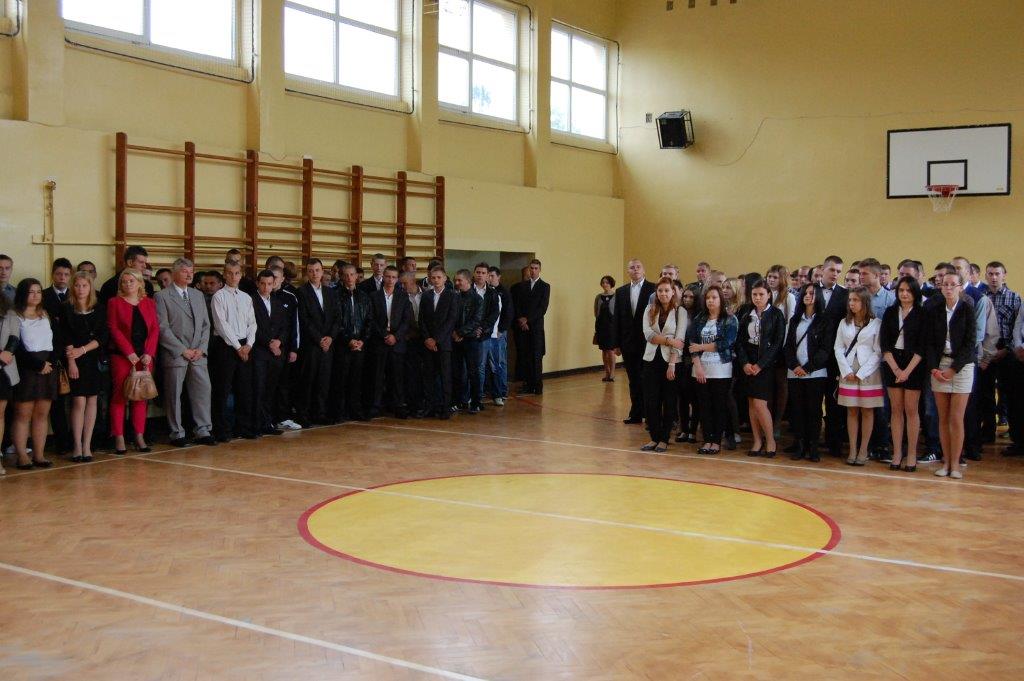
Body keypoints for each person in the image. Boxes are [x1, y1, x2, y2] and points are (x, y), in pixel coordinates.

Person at [154, 258, 216, 448]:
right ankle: (177, 433)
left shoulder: (197, 295)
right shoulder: (162, 296)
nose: (189, 275)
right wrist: (182, 350)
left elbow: (206, 325)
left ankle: (203, 430)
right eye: (184, 271)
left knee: (203, 391)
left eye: (191, 271)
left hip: (198, 354)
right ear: (174, 273)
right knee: (174, 395)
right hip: (176, 354)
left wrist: (201, 349)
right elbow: (162, 328)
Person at [928, 272, 976, 479]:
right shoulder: (935, 309)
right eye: (945, 284)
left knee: (956, 418)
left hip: (962, 367)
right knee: (943, 417)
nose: (948, 288)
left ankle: (955, 464)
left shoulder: (967, 309)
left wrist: (954, 369)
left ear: (960, 287)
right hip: (939, 365)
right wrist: (934, 368)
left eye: (952, 285)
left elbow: (970, 343)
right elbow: (929, 342)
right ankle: (945, 461)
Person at [106, 268, 159, 454]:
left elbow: (154, 329)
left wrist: (149, 353)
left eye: (131, 281)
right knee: (120, 396)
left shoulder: (149, 303)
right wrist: (128, 352)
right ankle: (119, 436)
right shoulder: (114, 302)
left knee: (140, 396)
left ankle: (139, 435)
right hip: (122, 356)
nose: (127, 284)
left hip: (144, 357)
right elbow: (113, 329)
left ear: (139, 283)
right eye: (124, 281)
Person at [60, 271, 108, 462]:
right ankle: (77, 445)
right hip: (74, 360)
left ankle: (87, 445)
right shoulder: (66, 308)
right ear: (72, 287)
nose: (81, 289)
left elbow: (102, 336)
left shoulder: (99, 308)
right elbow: (65, 337)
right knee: (78, 402)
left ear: (90, 287)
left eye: (84, 286)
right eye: (77, 285)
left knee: (92, 400)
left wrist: (83, 350)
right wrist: (72, 361)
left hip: (92, 357)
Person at [879, 275, 926, 472]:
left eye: (908, 290)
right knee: (896, 410)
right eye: (901, 290)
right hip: (893, 363)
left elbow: (923, 346)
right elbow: (884, 343)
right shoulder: (890, 312)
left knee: (911, 410)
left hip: (914, 364)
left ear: (915, 293)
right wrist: (896, 369)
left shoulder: (922, 313)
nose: (904, 294)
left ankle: (912, 453)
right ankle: (897, 452)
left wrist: (906, 371)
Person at [11, 279, 59, 469]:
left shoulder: (46, 314)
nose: (36, 295)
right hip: (27, 368)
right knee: (23, 414)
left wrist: (50, 362)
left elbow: (56, 341)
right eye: (31, 292)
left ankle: (39, 454)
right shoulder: (15, 316)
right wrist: (37, 365)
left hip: (48, 367)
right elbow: (16, 347)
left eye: (38, 291)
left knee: (42, 413)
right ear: (23, 294)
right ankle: (22, 455)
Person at [736, 279, 786, 457]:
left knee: (760, 403)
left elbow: (777, 343)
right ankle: (757, 440)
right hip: (748, 363)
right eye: (754, 294)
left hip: (766, 365)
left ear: (769, 295)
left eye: (761, 294)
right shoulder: (745, 312)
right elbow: (739, 341)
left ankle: (770, 440)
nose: (757, 298)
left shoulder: (776, 314)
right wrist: (744, 363)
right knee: (751, 403)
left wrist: (760, 364)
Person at [978, 261, 1022, 456]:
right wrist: (987, 352)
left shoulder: (1014, 298)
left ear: (1004, 275)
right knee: (985, 393)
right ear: (985, 276)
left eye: (997, 274)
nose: (994, 277)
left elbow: (1018, 326)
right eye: (990, 274)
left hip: (1008, 353)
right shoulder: (982, 297)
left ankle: (1016, 436)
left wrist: (1007, 349)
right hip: (986, 351)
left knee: (1011, 395)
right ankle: (987, 431)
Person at [834, 287, 882, 466]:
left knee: (867, 410)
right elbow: (838, 347)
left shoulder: (876, 323)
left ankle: (863, 449)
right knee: (851, 410)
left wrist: (862, 373)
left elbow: (878, 351)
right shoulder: (844, 322)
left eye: (855, 300)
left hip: (868, 371)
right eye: (850, 300)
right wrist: (846, 370)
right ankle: (853, 449)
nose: (851, 303)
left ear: (865, 302)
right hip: (848, 370)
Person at [210, 262, 258, 440]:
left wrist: (249, 344)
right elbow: (221, 325)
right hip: (226, 346)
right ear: (224, 275)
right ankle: (221, 429)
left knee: (244, 388)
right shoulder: (218, 296)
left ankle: (242, 427)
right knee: (222, 389)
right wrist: (238, 347)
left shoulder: (246, 297)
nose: (233, 276)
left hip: (245, 346)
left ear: (241, 275)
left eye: (236, 273)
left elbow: (252, 323)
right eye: (229, 273)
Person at [688, 286, 738, 455]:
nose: (710, 300)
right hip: (701, 368)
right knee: (704, 406)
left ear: (721, 300)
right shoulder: (699, 319)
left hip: (721, 369)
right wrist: (698, 366)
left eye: (714, 297)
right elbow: (692, 344)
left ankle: (716, 441)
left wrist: (701, 346)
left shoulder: (730, 319)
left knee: (719, 405)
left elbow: (726, 343)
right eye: (708, 298)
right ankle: (707, 440)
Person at [785, 283, 830, 462]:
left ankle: (813, 447)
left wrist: (807, 368)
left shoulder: (824, 320)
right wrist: (795, 365)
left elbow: (825, 350)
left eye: (812, 293)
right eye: (805, 293)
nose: (807, 296)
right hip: (795, 373)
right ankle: (800, 445)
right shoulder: (795, 319)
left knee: (814, 411)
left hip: (815, 374)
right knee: (797, 410)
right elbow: (788, 346)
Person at [640, 278, 686, 452]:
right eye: (660, 291)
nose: (663, 294)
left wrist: (672, 363)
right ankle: (654, 438)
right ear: (656, 293)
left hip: (671, 362)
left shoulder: (680, 311)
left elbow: (680, 340)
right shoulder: (649, 309)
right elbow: (648, 335)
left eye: (667, 290)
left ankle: (664, 439)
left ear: (673, 292)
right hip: (651, 360)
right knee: (651, 401)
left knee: (669, 400)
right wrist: (669, 340)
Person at [294, 259, 341, 426]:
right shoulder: (301, 292)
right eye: (311, 270)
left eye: (317, 270)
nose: (314, 273)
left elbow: (337, 318)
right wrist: (319, 339)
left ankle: (320, 413)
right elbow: (304, 320)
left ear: (322, 271)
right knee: (308, 380)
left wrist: (330, 337)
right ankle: (303, 414)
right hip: (311, 344)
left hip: (328, 344)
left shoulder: (331, 292)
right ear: (307, 273)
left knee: (323, 380)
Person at [614, 259, 656, 424]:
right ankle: (636, 413)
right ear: (628, 271)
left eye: (638, 267)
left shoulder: (653, 289)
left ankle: (650, 413)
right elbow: (617, 318)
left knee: (647, 379)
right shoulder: (621, 291)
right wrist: (616, 343)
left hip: (648, 342)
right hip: (628, 343)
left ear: (644, 270)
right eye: (632, 267)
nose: (635, 270)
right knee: (633, 379)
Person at [251, 269, 291, 435]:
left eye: (269, 284)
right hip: (260, 352)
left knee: (270, 389)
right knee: (258, 389)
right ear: (257, 283)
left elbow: (285, 326)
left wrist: (279, 341)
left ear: (274, 284)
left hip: (275, 353)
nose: (266, 287)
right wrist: (269, 343)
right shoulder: (251, 301)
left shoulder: (277, 302)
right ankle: (256, 424)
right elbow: (252, 327)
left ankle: (267, 423)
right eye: (263, 283)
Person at [369, 265, 412, 418]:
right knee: (377, 376)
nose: (390, 280)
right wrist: (384, 335)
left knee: (397, 376)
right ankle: (375, 406)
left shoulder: (403, 296)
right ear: (383, 277)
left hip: (397, 343)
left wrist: (396, 336)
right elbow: (371, 319)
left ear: (397, 279)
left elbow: (406, 320)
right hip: (379, 341)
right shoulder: (374, 296)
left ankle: (398, 406)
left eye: (394, 277)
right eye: (388, 276)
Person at [333, 264, 373, 421]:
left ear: (357, 276)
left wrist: (362, 340)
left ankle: (355, 410)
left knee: (357, 379)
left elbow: (369, 321)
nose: (349, 278)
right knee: (341, 379)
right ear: (342, 277)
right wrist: (348, 340)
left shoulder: (364, 297)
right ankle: (339, 411)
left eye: (352, 274)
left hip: (360, 345)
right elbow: (336, 322)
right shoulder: (335, 296)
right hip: (343, 345)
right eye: (346, 275)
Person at [817, 255, 849, 457]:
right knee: (811, 400)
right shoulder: (810, 290)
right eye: (832, 270)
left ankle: (834, 442)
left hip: (834, 356)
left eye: (838, 271)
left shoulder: (845, 294)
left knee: (834, 400)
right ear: (823, 269)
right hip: (812, 355)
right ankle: (808, 440)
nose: (835, 274)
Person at [42, 258, 74, 456]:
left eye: (66, 274)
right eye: (59, 274)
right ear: (53, 274)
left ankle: (79, 439)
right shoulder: (43, 296)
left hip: (76, 353)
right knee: (57, 400)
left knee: (78, 398)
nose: (62, 278)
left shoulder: (77, 294)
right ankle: (62, 441)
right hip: (53, 354)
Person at [419, 267, 459, 419]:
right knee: (428, 376)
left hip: (444, 343)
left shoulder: (452, 296)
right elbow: (422, 319)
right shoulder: (426, 296)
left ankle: (446, 408)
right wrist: (427, 338)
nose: (435, 280)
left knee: (445, 376)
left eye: (438, 277)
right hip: (428, 343)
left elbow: (451, 320)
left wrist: (436, 339)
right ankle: (430, 407)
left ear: (445, 278)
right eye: (433, 277)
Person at [510, 259, 550, 395]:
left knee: (536, 357)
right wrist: (521, 320)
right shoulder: (523, 286)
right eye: (531, 268)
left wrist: (527, 319)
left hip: (536, 328)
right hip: (523, 328)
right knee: (525, 356)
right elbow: (518, 305)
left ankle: (537, 386)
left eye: (535, 268)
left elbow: (542, 308)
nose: (533, 270)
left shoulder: (545, 286)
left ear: (540, 270)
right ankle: (528, 384)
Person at [270, 266, 301, 431]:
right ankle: (267, 419)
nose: (273, 280)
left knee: (284, 384)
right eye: (271, 277)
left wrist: (294, 349)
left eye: (277, 277)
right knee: (267, 385)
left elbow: (294, 325)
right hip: (265, 348)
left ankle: (283, 417)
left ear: (283, 279)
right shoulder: (259, 296)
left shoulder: (290, 297)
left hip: (285, 348)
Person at [452, 269, 485, 413]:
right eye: (456, 280)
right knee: (457, 372)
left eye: (459, 280)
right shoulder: (454, 297)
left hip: (471, 340)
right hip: (456, 340)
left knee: (473, 372)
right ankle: (459, 401)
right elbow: (451, 317)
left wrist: (460, 333)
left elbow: (476, 320)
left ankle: (476, 402)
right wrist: (454, 333)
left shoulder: (478, 299)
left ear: (468, 281)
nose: (457, 283)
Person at [469, 264, 500, 407]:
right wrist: (471, 329)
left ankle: (479, 396)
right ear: (474, 273)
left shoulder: (492, 293)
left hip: (484, 335)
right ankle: (468, 397)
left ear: (487, 275)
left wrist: (482, 328)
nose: (480, 275)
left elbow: (494, 314)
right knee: (468, 367)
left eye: (483, 273)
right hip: (469, 334)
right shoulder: (468, 290)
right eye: (478, 272)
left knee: (481, 366)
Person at [482, 265, 513, 406]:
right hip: (487, 332)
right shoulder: (487, 291)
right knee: (487, 363)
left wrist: (501, 329)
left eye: (492, 276)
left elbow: (508, 313)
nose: (489, 278)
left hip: (499, 332)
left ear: (498, 277)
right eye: (488, 275)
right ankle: (489, 389)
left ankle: (502, 390)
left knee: (499, 362)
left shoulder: (503, 292)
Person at [400, 270, 427, 416]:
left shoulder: (427, 294)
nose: (403, 286)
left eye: (405, 283)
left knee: (427, 372)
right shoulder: (401, 296)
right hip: (410, 338)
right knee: (412, 373)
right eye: (401, 284)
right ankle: (414, 404)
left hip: (427, 338)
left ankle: (427, 403)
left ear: (413, 281)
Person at [675, 285, 699, 444]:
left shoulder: (700, 315)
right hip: (680, 358)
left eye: (691, 297)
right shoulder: (678, 313)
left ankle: (693, 430)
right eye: (685, 297)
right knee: (681, 396)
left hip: (695, 358)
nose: (687, 300)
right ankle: (683, 428)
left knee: (694, 397)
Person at [0, 290, 18, 474]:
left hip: (3, 369)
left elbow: (14, 336)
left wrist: (7, 352)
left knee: (0, 414)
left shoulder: (9, 311)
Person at [594, 275, 617, 381]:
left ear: (611, 284)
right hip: (601, 326)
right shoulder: (598, 297)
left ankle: (612, 373)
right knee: (604, 350)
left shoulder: (616, 296)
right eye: (603, 282)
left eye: (607, 282)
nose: (605, 284)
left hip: (612, 327)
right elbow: (596, 312)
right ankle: (607, 372)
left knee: (611, 350)